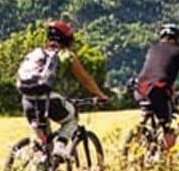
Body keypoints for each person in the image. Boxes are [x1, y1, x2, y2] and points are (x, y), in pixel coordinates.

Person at [15, 20, 111, 149]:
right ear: (68, 40)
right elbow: (85, 79)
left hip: (28, 101)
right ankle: (60, 147)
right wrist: (100, 95)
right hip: (50, 102)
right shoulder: (66, 55)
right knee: (71, 120)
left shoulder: (36, 53)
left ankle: (42, 163)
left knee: (44, 145)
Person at [132, 22, 179, 151]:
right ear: (178, 39)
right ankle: (162, 159)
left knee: (152, 112)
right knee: (168, 129)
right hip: (157, 91)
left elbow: (155, 72)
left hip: (139, 89)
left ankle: (145, 136)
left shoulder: (152, 49)